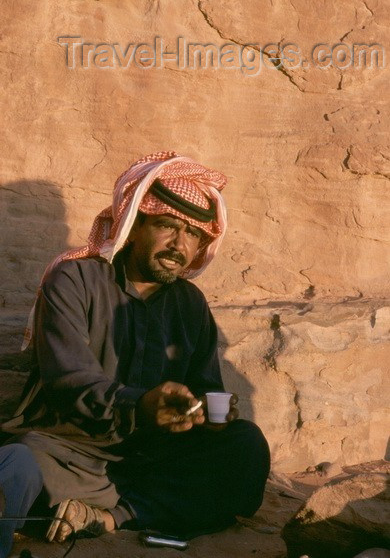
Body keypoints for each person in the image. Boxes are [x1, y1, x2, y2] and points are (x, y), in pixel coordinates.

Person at [0, 151, 270, 554]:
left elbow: (202, 386)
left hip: (154, 454)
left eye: (193, 234)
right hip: (72, 452)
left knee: (244, 446)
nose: (179, 245)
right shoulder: (74, 279)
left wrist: (208, 417)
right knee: (21, 462)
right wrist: (139, 404)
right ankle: (135, 509)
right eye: (166, 226)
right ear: (134, 223)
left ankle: (107, 518)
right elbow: (69, 381)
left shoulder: (190, 303)